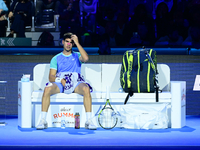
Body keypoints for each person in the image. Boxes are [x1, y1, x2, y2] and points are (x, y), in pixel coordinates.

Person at [36, 32, 97, 130]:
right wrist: (61, 80)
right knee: (47, 89)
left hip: (76, 82)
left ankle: (89, 121)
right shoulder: (56, 58)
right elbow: (51, 77)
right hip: (61, 82)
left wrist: (77, 42)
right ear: (63, 42)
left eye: (71, 42)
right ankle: (43, 120)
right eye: (67, 42)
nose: (69, 44)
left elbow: (86, 58)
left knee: (86, 89)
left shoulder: (77, 55)